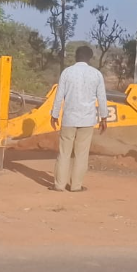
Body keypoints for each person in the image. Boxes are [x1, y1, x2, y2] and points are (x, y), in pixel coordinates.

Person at [50, 46, 108, 192]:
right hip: (87, 120)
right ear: (90, 58)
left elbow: (59, 96)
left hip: (69, 118)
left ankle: (59, 185)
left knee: (64, 152)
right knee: (81, 154)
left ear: (76, 56)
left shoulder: (67, 72)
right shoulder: (96, 74)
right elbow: (102, 98)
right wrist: (104, 117)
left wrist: (54, 114)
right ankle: (76, 186)